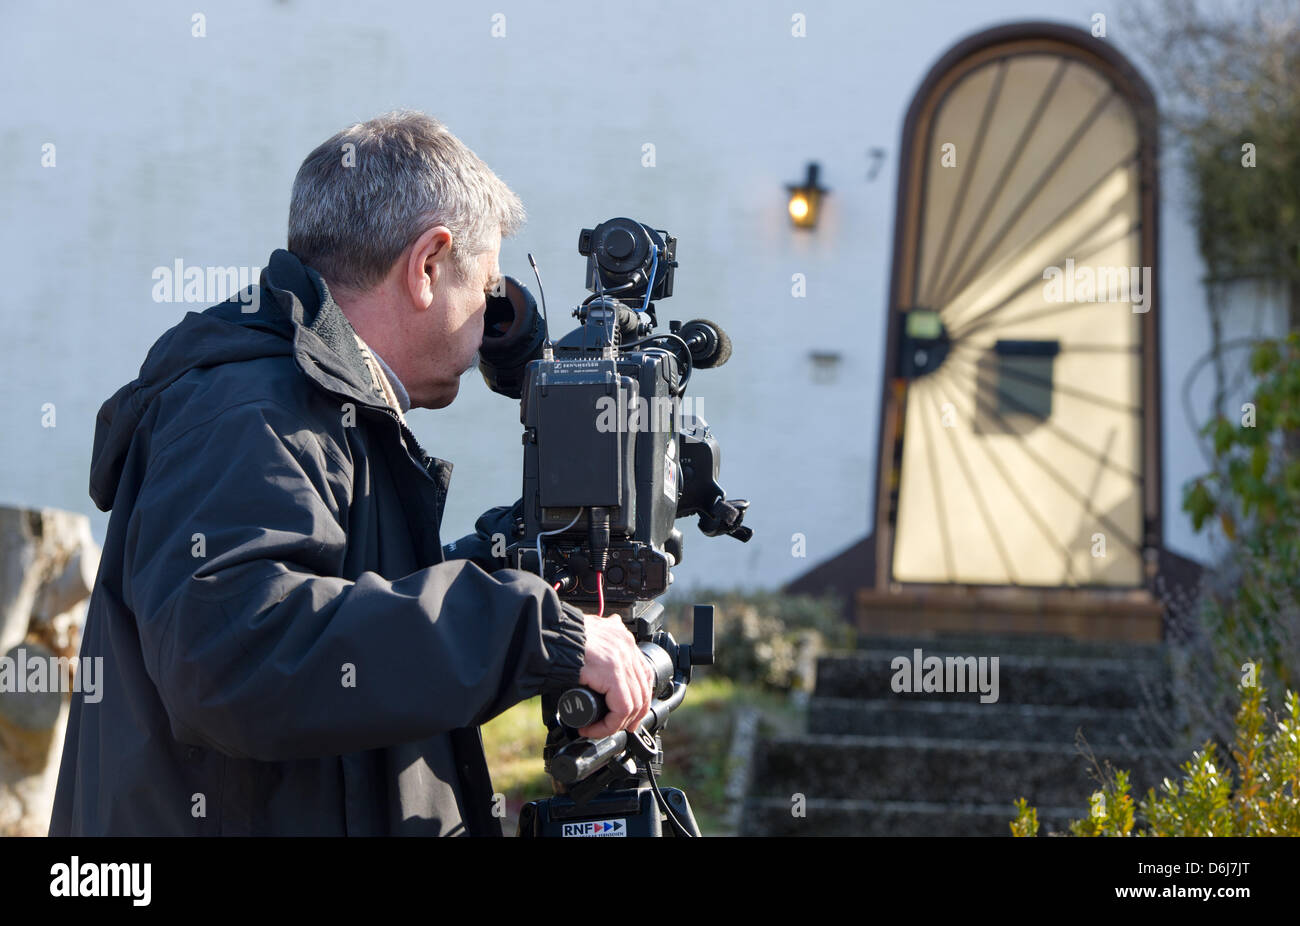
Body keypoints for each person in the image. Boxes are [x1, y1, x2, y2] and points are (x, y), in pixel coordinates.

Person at [49, 110, 653, 836]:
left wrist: (505, 564)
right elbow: (234, 654)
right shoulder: (247, 408)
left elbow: (342, 627)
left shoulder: (319, 403)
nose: (488, 323)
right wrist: (525, 631)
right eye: (486, 287)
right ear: (428, 266)